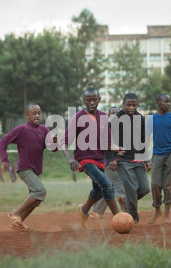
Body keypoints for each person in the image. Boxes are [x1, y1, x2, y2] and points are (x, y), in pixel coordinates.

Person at [60, 86, 123, 228]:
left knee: (99, 190)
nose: (92, 103)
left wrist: (116, 149)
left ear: (99, 99)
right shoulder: (77, 117)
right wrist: (70, 159)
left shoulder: (103, 117)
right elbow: (64, 142)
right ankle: (119, 218)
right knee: (107, 185)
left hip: (100, 161)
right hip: (85, 160)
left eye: (95, 100)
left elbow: (107, 143)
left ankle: (84, 210)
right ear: (84, 100)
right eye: (88, 100)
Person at [0, 102, 58, 231]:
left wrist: (54, 143)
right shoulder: (21, 130)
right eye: (33, 113)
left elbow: (53, 149)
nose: (37, 115)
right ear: (27, 115)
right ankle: (16, 214)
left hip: (36, 170)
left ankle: (18, 223)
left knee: (36, 199)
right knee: (40, 191)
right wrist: (5, 160)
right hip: (25, 168)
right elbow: (3, 141)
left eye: (38, 113)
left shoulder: (44, 130)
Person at [109, 93, 151, 225]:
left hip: (138, 159)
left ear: (137, 105)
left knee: (144, 189)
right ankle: (133, 217)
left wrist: (147, 160)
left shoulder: (140, 118)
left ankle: (126, 201)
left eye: (134, 105)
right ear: (123, 105)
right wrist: (112, 158)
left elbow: (143, 140)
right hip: (123, 161)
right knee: (132, 188)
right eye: (128, 105)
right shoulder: (116, 119)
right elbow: (107, 140)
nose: (131, 107)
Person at [145, 94, 171, 224]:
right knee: (155, 184)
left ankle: (166, 216)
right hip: (157, 155)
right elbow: (146, 140)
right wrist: (146, 159)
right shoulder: (151, 119)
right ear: (158, 103)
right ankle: (157, 210)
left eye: (169, 101)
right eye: (165, 101)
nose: (168, 104)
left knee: (168, 185)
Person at [90, 106, 127, 218]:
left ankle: (97, 211)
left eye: (117, 112)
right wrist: (113, 157)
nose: (115, 114)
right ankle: (126, 213)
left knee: (109, 187)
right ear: (108, 115)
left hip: (120, 162)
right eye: (112, 113)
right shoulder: (105, 128)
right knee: (117, 187)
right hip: (109, 162)